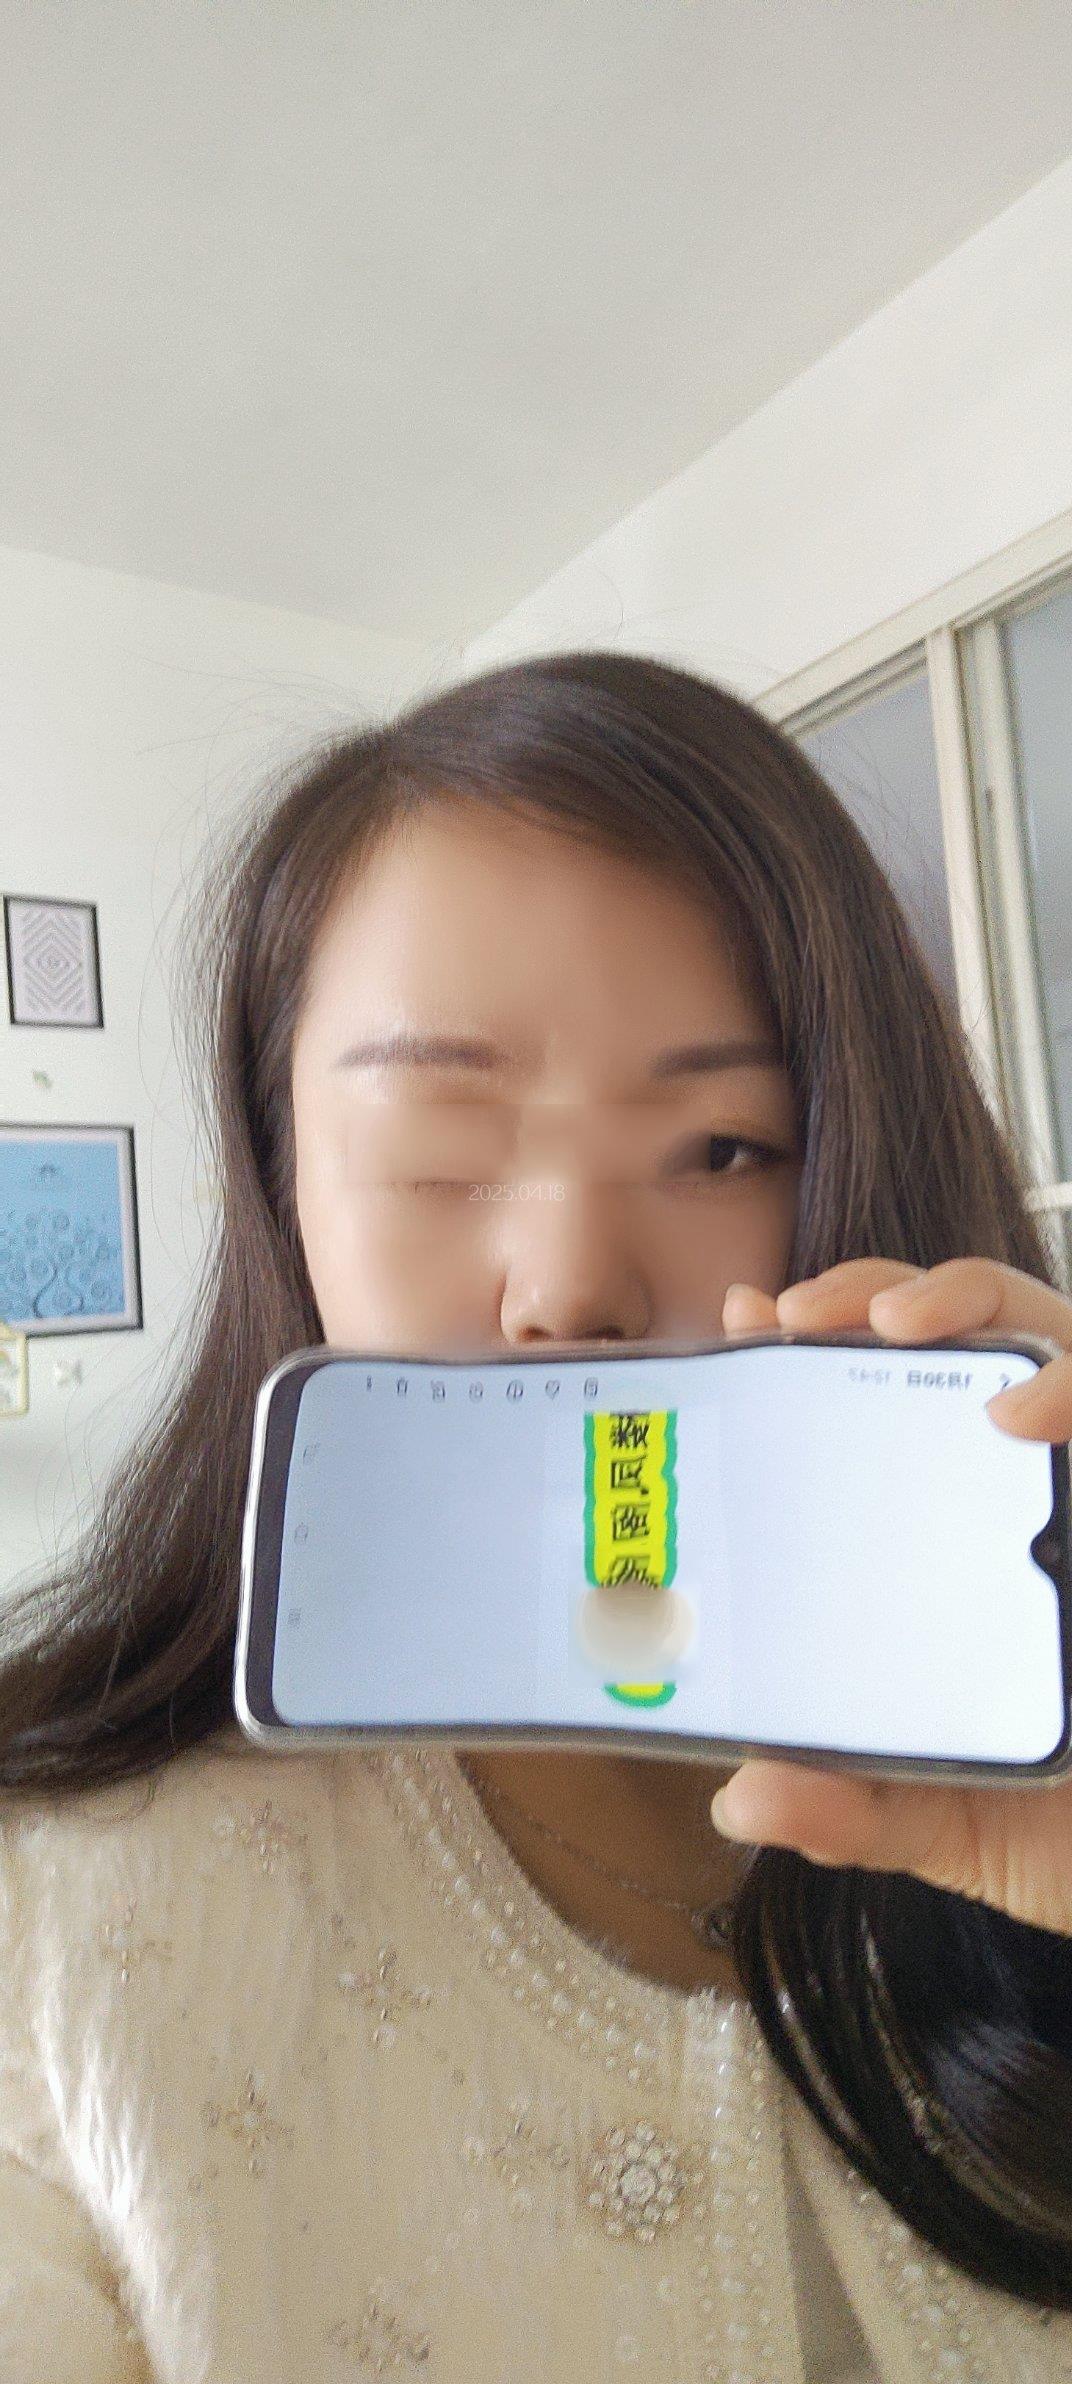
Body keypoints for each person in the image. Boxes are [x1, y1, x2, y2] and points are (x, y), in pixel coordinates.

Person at [0, 649, 1070, 2383]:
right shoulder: (52, 1923)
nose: (572, 1290)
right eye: (441, 1149)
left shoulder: (1017, 1750)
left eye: (722, 1149)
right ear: (278, 1188)